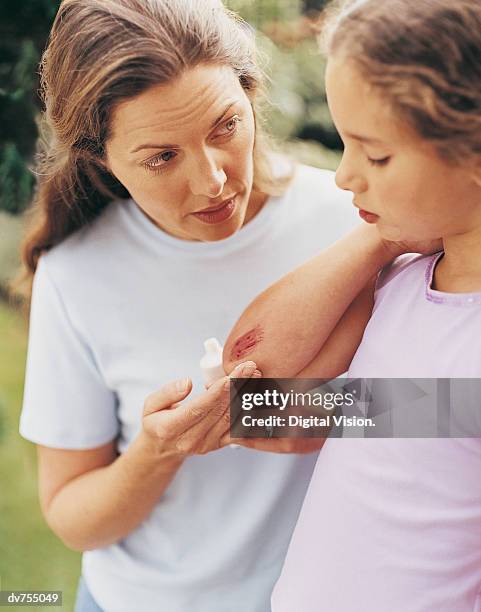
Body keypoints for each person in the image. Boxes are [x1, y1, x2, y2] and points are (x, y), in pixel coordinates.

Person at [16, 0, 362, 610]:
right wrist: (158, 451)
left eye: (225, 126)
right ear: (102, 159)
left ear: (250, 93)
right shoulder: (78, 277)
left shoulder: (354, 223)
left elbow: (454, 412)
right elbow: (73, 518)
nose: (213, 182)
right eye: (161, 157)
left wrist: (334, 416)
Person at [223, 0, 481, 610]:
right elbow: (262, 406)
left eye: (376, 154)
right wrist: (378, 237)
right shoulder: (408, 287)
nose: (345, 176)